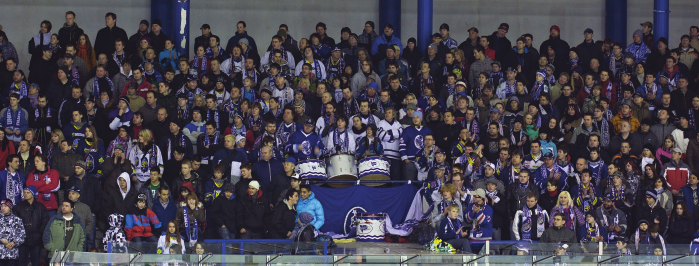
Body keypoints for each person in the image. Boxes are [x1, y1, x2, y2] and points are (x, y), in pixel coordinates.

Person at [0, 199, 25, 265]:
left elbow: (22, 235)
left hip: (12, 254)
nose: (3, 208)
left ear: (10, 207)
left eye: (5, 206)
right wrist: (1, 239)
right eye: (1, 206)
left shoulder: (17, 220)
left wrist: (14, 243)